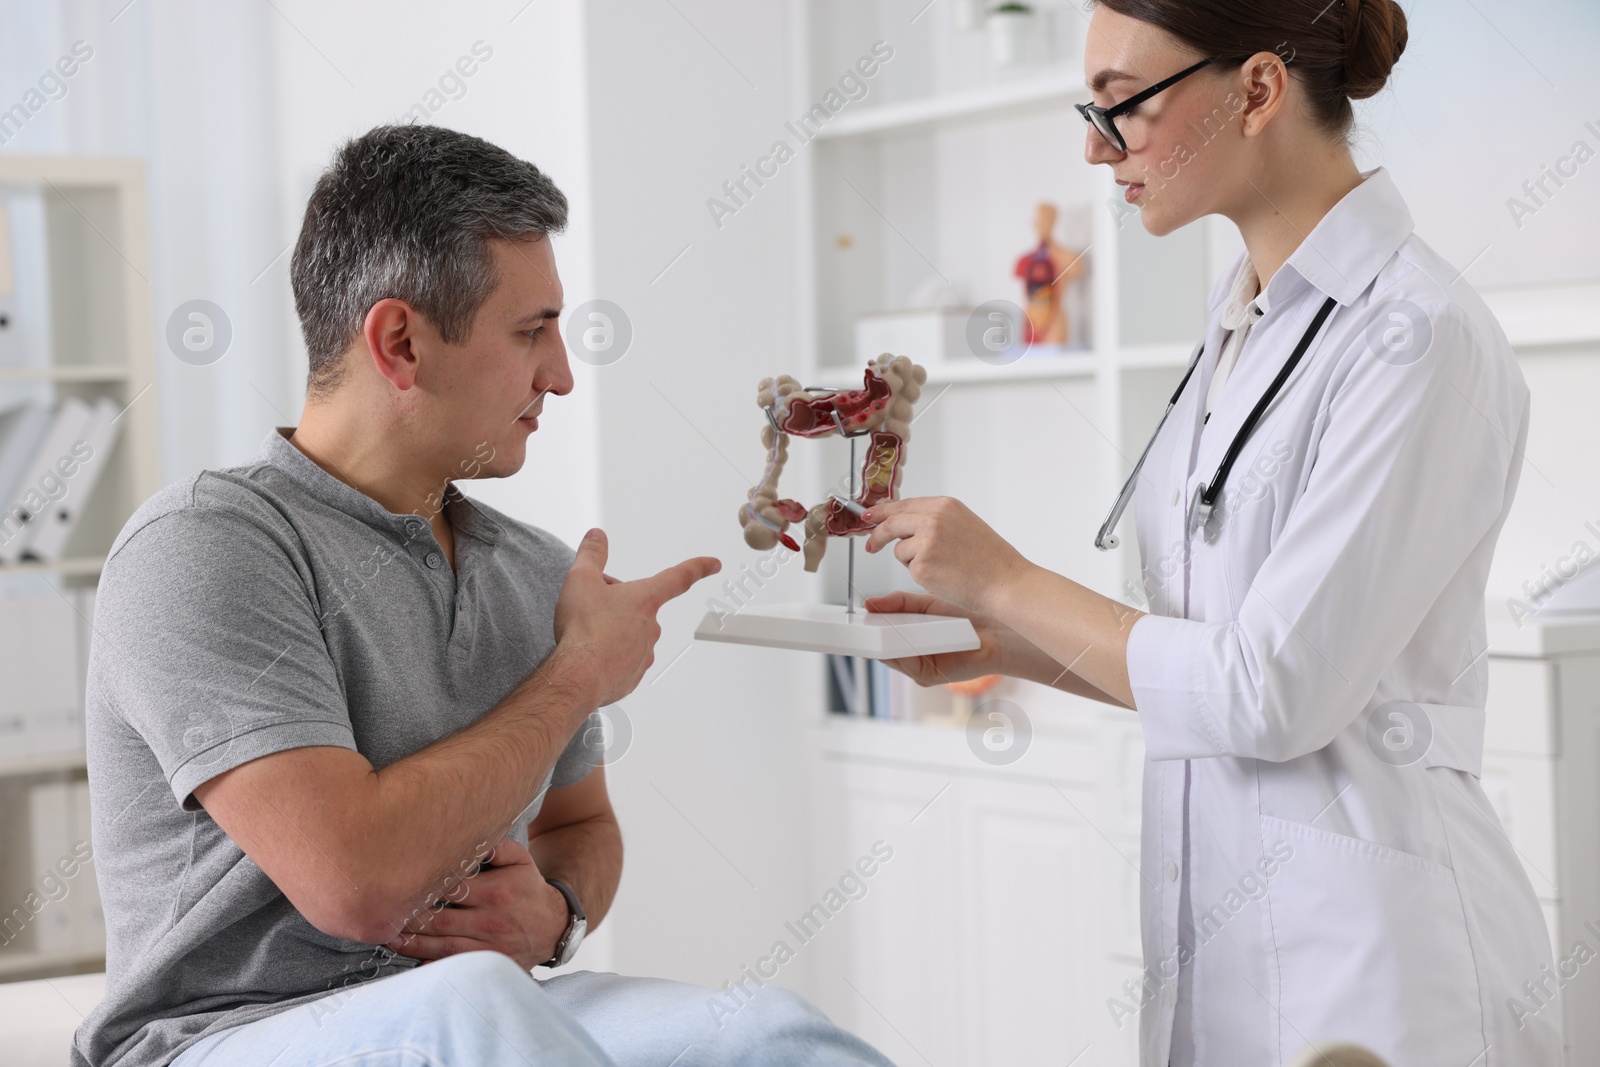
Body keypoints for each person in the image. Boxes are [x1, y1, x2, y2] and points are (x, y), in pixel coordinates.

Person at [73, 125, 893, 1067]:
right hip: (222, 1037)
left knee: (766, 1032)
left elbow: (580, 826)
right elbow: (357, 882)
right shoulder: (204, 547)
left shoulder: (534, 570)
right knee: (472, 1010)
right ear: (401, 342)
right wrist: (578, 674)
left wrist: (557, 912)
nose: (562, 376)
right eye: (531, 331)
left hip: (480, 1007)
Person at [860, 1, 1560, 1065]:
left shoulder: (1415, 336)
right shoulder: (1242, 323)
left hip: (1375, 964)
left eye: (1120, 106)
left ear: (1259, 91)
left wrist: (1005, 579)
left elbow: (1272, 688)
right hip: (1224, 947)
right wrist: (1016, 649)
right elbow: (1211, 654)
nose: (1093, 148)